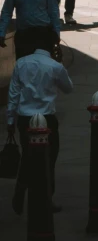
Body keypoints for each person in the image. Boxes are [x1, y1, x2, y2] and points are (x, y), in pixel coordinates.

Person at [6, 35, 71, 215]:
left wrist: (10, 120)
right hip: (47, 118)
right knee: (49, 159)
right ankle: (46, 198)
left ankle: (21, 188)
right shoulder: (55, 66)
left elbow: (13, 95)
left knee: (28, 156)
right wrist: (60, 65)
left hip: (25, 117)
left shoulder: (21, 63)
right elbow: (68, 88)